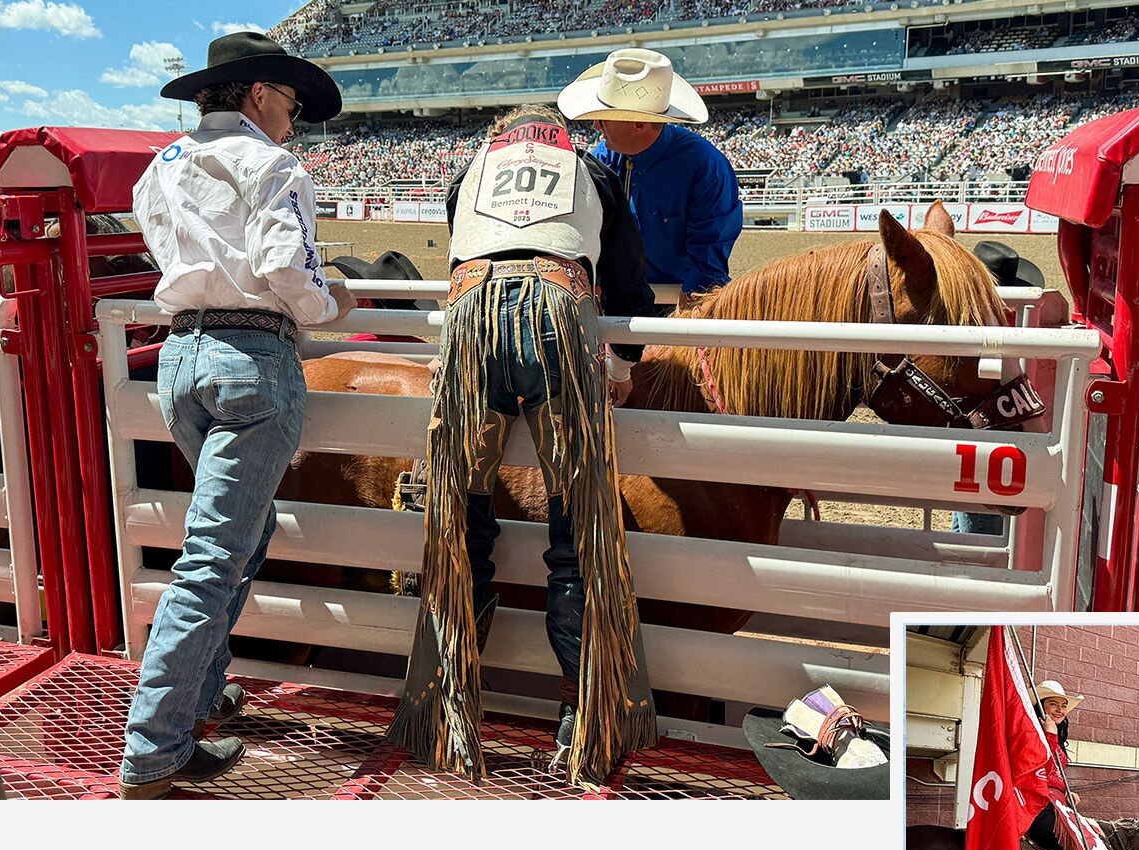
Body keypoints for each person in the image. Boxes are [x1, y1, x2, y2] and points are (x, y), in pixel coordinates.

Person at [387, 103, 660, 788]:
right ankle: (586, 718)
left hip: (471, 316)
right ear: (556, 138)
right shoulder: (592, 171)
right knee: (580, 528)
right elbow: (630, 288)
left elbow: (458, 252)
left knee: (457, 526)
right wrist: (620, 367)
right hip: (557, 316)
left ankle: (447, 716)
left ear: (502, 140)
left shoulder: (469, 174)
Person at [120, 32, 354, 799]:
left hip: (181, 361)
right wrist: (330, 303)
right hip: (251, 360)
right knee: (215, 559)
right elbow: (287, 268)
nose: (293, 120)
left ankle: (194, 696)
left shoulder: (162, 165)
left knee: (234, 542)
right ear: (258, 94)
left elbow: (162, 245)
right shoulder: (273, 164)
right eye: (288, 104)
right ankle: (154, 746)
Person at [562, 48, 743, 305]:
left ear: (639, 123)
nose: (595, 126)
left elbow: (708, 258)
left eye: (603, 118)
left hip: (680, 303)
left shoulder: (705, 167)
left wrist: (688, 313)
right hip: (617, 298)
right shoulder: (603, 158)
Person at [1022, 679, 1100, 850]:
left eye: (1063, 705)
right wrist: (1050, 734)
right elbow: (1035, 768)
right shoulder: (1035, 733)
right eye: (1053, 704)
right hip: (1037, 806)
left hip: (1054, 803)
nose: (1059, 709)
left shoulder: (1052, 733)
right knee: (1083, 848)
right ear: (1040, 707)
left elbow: (1053, 776)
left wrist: (1066, 794)